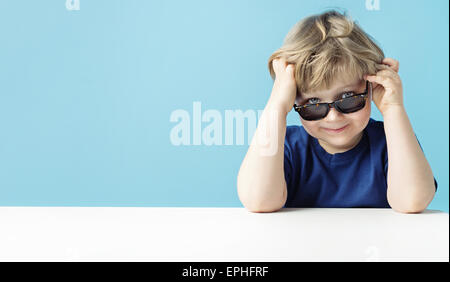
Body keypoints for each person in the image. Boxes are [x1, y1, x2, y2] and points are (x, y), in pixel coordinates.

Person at [237, 9, 437, 213]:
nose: (333, 117)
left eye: (348, 98)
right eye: (313, 103)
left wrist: (393, 108)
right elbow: (258, 200)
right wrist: (276, 106)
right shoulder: (287, 146)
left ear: (371, 87)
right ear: (294, 100)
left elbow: (413, 201)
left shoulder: (391, 140)